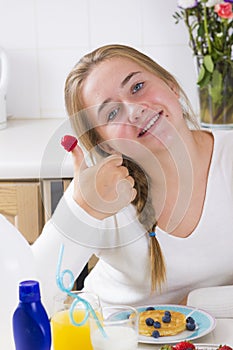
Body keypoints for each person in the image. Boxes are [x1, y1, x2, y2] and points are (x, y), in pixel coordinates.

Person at [32, 44, 233, 316]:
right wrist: (83, 208)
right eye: (112, 113)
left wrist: (194, 305)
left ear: (171, 85)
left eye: (137, 87)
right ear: (106, 145)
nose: (135, 110)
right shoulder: (102, 190)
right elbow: (22, 297)